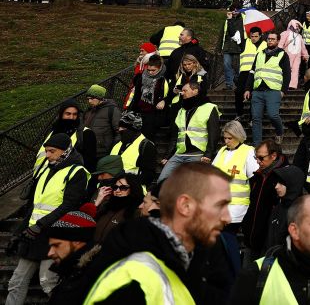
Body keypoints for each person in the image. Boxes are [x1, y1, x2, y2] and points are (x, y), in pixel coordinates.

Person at [82, 163, 231, 303]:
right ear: (185, 206)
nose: (228, 218)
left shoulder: (189, 262)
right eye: (220, 205)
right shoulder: (133, 280)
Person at [7, 133, 90, 305]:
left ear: (65, 151)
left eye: (52, 151)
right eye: (46, 151)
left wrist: (40, 225)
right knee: (16, 282)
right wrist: (19, 232)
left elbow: (69, 205)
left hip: (55, 236)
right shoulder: (45, 169)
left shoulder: (77, 172)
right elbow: (35, 205)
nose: (47, 155)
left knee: (48, 283)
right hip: (33, 235)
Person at [158, 79, 220, 182]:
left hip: (197, 154)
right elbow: (175, 136)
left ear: (195, 91)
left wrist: (208, 154)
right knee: (161, 182)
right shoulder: (182, 110)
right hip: (179, 154)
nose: (182, 93)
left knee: (190, 185)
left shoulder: (209, 107)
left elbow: (214, 133)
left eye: (185, 90)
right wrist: (168, 155)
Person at [43, 203, 98, 305]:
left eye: (57, 245)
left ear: (77, 241)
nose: (50, 253)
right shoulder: (71, 274)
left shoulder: (93, 282)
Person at [242, 137, 288, 256]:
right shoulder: (258, 176)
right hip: (252, 241)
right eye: (256, 157)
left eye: (261, 158)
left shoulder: (285, 176)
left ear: (273, 156)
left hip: (269, 246)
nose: (257, 161)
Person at [211, 120, 258, 230]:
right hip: (220, 204)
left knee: (227, 234)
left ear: (238, 136)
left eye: (230, 138)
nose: (226, 141)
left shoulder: (249, 152)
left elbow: (255, 180)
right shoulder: (222, 150)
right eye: (225, 138)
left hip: (237, 206)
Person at [248, 31, 290, 146]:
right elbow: (252, 72)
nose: (270, 40)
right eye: (269, 39)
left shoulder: (282, 54)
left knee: (273, 115)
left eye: (273, 39)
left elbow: (287, 73)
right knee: (256, 118)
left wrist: (283, 90)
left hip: (273, 90)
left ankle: (279, 132)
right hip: (257, 90)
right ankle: (257, 144)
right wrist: (248, 88)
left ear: (277, 41)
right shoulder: (260, 54)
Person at [92, 172, 144, 246]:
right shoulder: (107, 205)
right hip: (91, 249)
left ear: (133, 189)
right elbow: (89, 223)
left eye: (123, 188)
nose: (117, 190)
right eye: (115, 187)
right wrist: (97, 202)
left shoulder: (136, 211)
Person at [108, 111, 158, 187]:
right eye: (119, 127)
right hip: (114, 189)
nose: (120, 129)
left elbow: (149, 175)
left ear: (134, 129)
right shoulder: (117, 144)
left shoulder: (146, 145)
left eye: (124, 127)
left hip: (134, 191)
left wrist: (131, 184)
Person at [82, 85, 120, 163]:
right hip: (87, 152)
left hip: (103, 154)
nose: (89, 101)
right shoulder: (88, 111)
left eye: (92, 98)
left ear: (100, 98)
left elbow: (119, 132)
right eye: (88, 99)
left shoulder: (112, 110)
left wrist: (112, 151)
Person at [220, 8, 245, 89]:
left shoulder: (243, 19)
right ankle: (229, 84)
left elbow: (233, 33)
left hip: (239, 47)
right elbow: (222, 34)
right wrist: (219, 48)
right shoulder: (227, 20)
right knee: (226, 65)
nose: (234, 12)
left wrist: (230, 20)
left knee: (237, 67)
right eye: (233, 10)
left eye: (236, 10)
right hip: (227, 46)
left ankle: (238, 82)